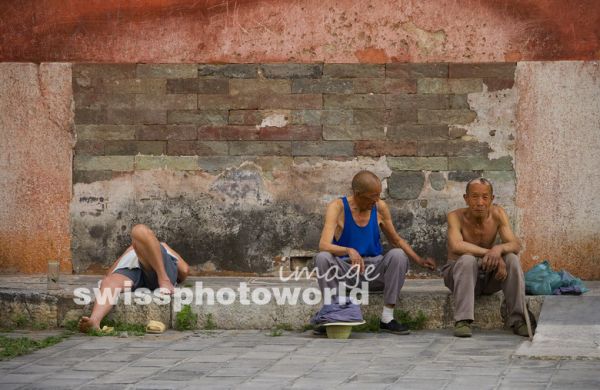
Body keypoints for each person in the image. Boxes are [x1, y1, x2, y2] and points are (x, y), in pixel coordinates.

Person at [314, 170, 436, 335]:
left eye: (378, 195)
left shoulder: (379, 207)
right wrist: (348, 250)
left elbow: (396, 240)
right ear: (358, 194)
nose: (377, 200)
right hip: (346, 273)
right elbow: (323, 245)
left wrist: (419, 260)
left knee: (398, 255)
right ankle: (333, 315)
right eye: (373, 196)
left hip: (374, 272)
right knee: (322, 258)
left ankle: (387, 318)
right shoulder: (337, 207)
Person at [444, 178, 530, 337]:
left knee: (511, 259)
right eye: (474, 197)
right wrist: (491, 254)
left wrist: (498, 249)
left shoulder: (498, 214)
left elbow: (515, 244)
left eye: (485, 197)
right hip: (459, 276)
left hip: (487, 276)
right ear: (466, 198)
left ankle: (518, 319)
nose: (480, 202)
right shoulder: (454, 216)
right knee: (467, 259)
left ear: (492, 199)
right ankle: (462, 321)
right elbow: (456, 245)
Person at [78, 224, 190, 333]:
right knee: (109, 282)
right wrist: (132, 249)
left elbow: (184, 270)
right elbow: (109, 274)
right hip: (133, 272)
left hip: (159, 271)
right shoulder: (131, 249)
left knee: (139, 229)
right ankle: (94, 321)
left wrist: (171, 277)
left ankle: (163, 278)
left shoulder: (163, 246)